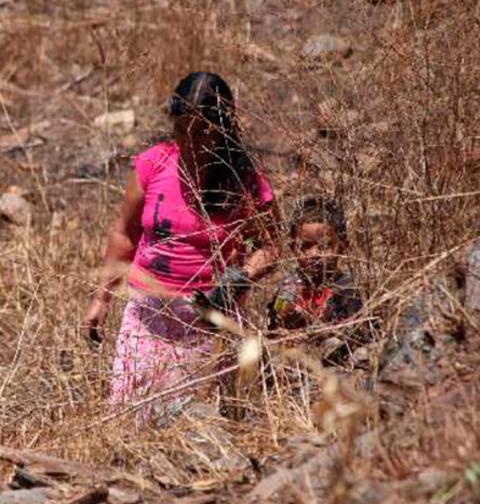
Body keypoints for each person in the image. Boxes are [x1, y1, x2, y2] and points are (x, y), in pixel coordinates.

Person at [82, 71, 280, 422]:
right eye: (185, 129)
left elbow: (270, 245)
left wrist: (244, 275)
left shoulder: (244, 181)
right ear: (173, 120)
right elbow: (124, 234)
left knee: (192, 420)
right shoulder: (154, 164)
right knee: (133, 415)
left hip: (208, 317)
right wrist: (101, 298)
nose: (194, 141)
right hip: (148, 315)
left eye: (206, 131)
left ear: (225, 129)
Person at [267, 194, 365, 364]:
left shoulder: (347, 289)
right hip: (292, 366)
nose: (315, 254)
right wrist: (284, 314)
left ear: (342, 247)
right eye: (305, 247)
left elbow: (353, 337)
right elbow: (273, 324)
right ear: (293, 249)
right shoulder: (289, 285)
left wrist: (314, 326)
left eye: (325, 246)